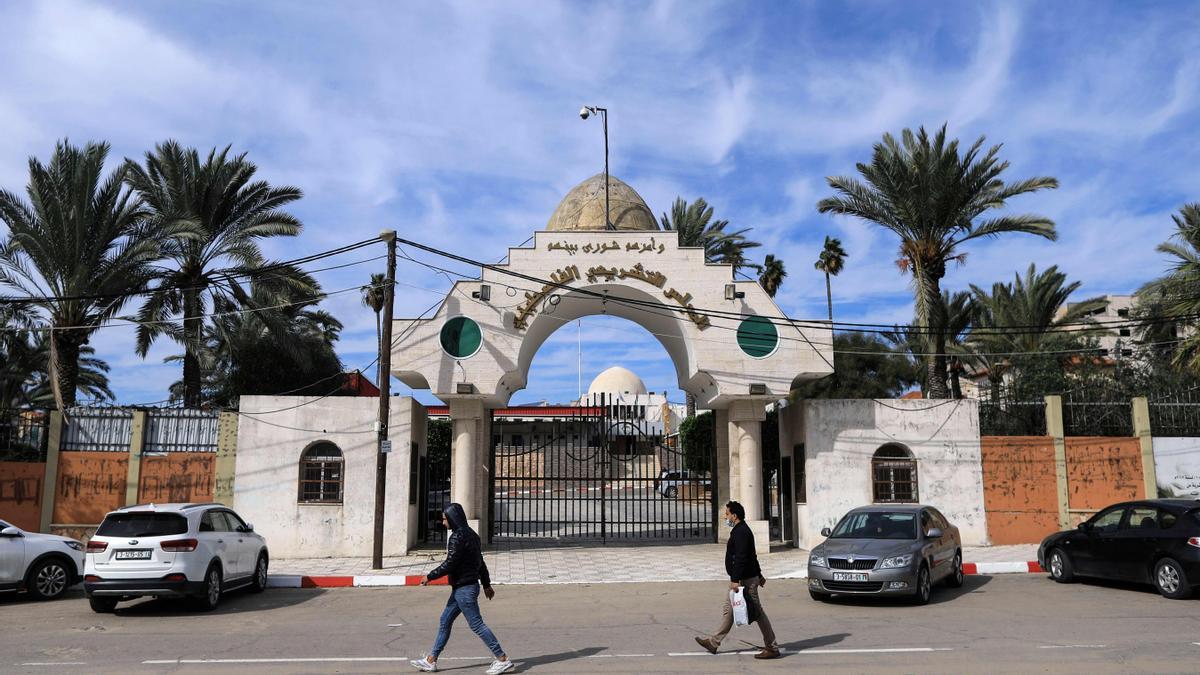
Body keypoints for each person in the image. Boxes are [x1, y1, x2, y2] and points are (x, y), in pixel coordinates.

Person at [411, 503, 514, 674]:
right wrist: (487, 585)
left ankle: (502, 659)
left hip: (464, 590)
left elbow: (450, 564)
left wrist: (430, 576)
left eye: (445, 519)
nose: (444, 523)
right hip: (464, 588)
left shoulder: (457, 537)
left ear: (453, 518)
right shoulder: (472, 535)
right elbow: (480, 563)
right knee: (445, 621)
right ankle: (431, 660)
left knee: (477, 625)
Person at [694, 500, 780, 659]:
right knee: (729, 610)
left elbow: (742, 557)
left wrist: (736, 579)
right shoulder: (741, 530)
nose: (725, 517)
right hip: (743, 578)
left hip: (744, 580)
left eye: (727, 514)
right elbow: (751, 555)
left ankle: (772, 647)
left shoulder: (741, 532)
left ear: (734, 515)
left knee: (758, 613)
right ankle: (714, 642)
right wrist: (759, 575)